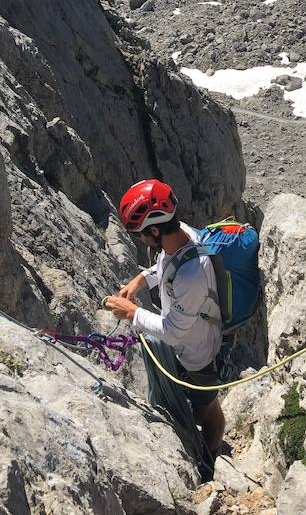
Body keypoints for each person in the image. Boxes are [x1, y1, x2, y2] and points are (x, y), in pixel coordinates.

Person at [104, 178, 225, 455]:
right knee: (198, 401)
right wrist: (140, 281)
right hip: (187, 340)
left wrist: (133, 313)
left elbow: (172, 332)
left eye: (139, 233)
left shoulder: (192, 275)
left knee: (206, 407)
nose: (140, 238)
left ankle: (211, 456)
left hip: (198, 353)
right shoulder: (179, 235)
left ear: (155, 230)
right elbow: (164, 268)